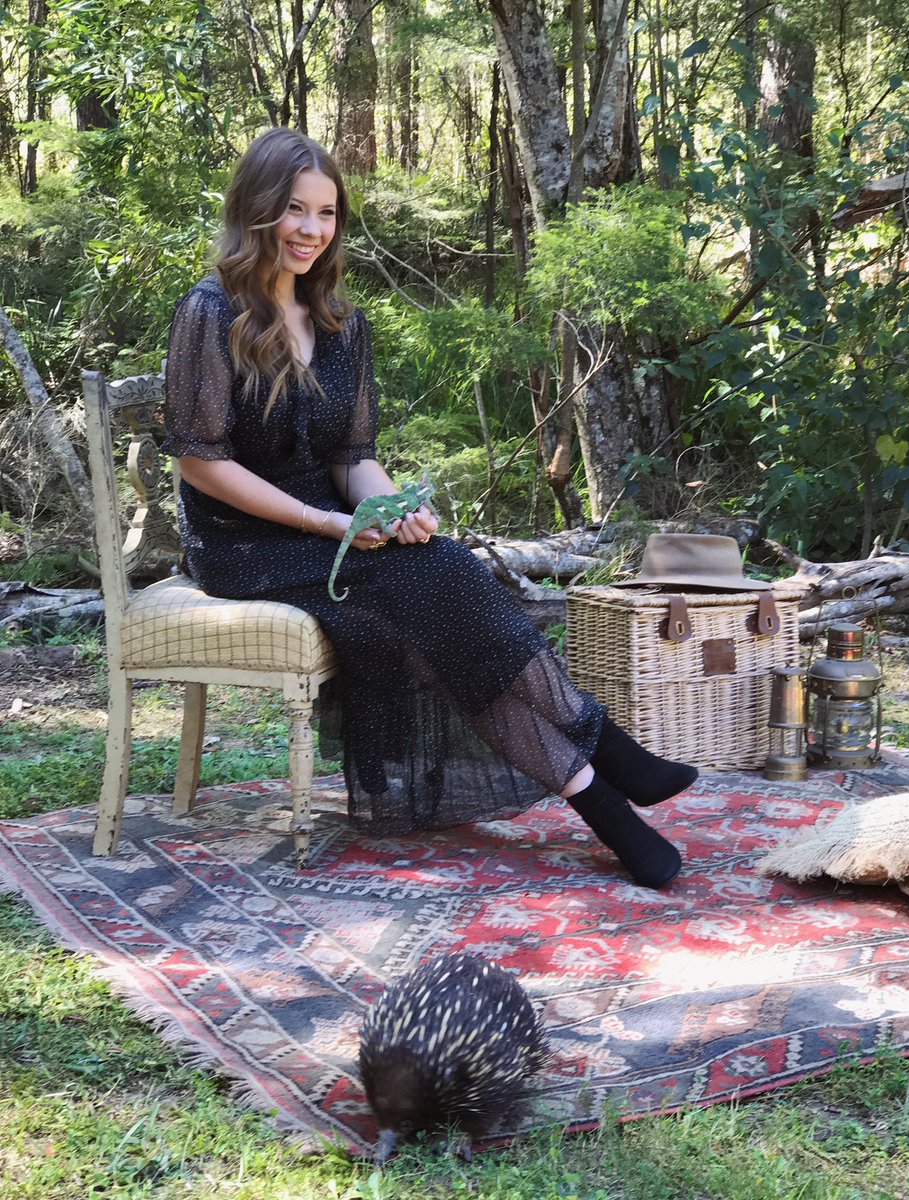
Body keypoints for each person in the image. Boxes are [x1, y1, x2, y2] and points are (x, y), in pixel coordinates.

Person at [162, 127, 697, 889]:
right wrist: (330, 524)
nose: (312, 230)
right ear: (255, 211)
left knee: (443, 590)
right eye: (294, 211)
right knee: (444, 593)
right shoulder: (211, 312)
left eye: (327, 213)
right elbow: (199, 460)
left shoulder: (341, 323)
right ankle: (602, 748)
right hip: (247, 546)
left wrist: (388, 511)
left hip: (335, 529)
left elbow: (353, 458)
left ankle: (604, 803)